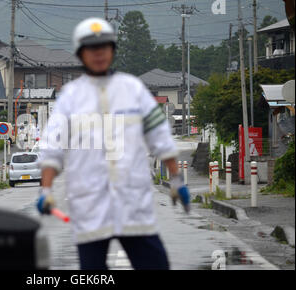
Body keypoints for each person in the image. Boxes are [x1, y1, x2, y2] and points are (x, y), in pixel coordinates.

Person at [36, 17, 190, 270]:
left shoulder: (133, 89)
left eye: (104, 47)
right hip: (89, 208)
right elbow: (53, 148)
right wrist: (45, 190)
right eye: (91, 49)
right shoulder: (70, 98)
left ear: (112, 50)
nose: (99, 54)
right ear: (81, 54)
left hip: (134, 205)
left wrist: (176, 180)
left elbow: (160, 137)